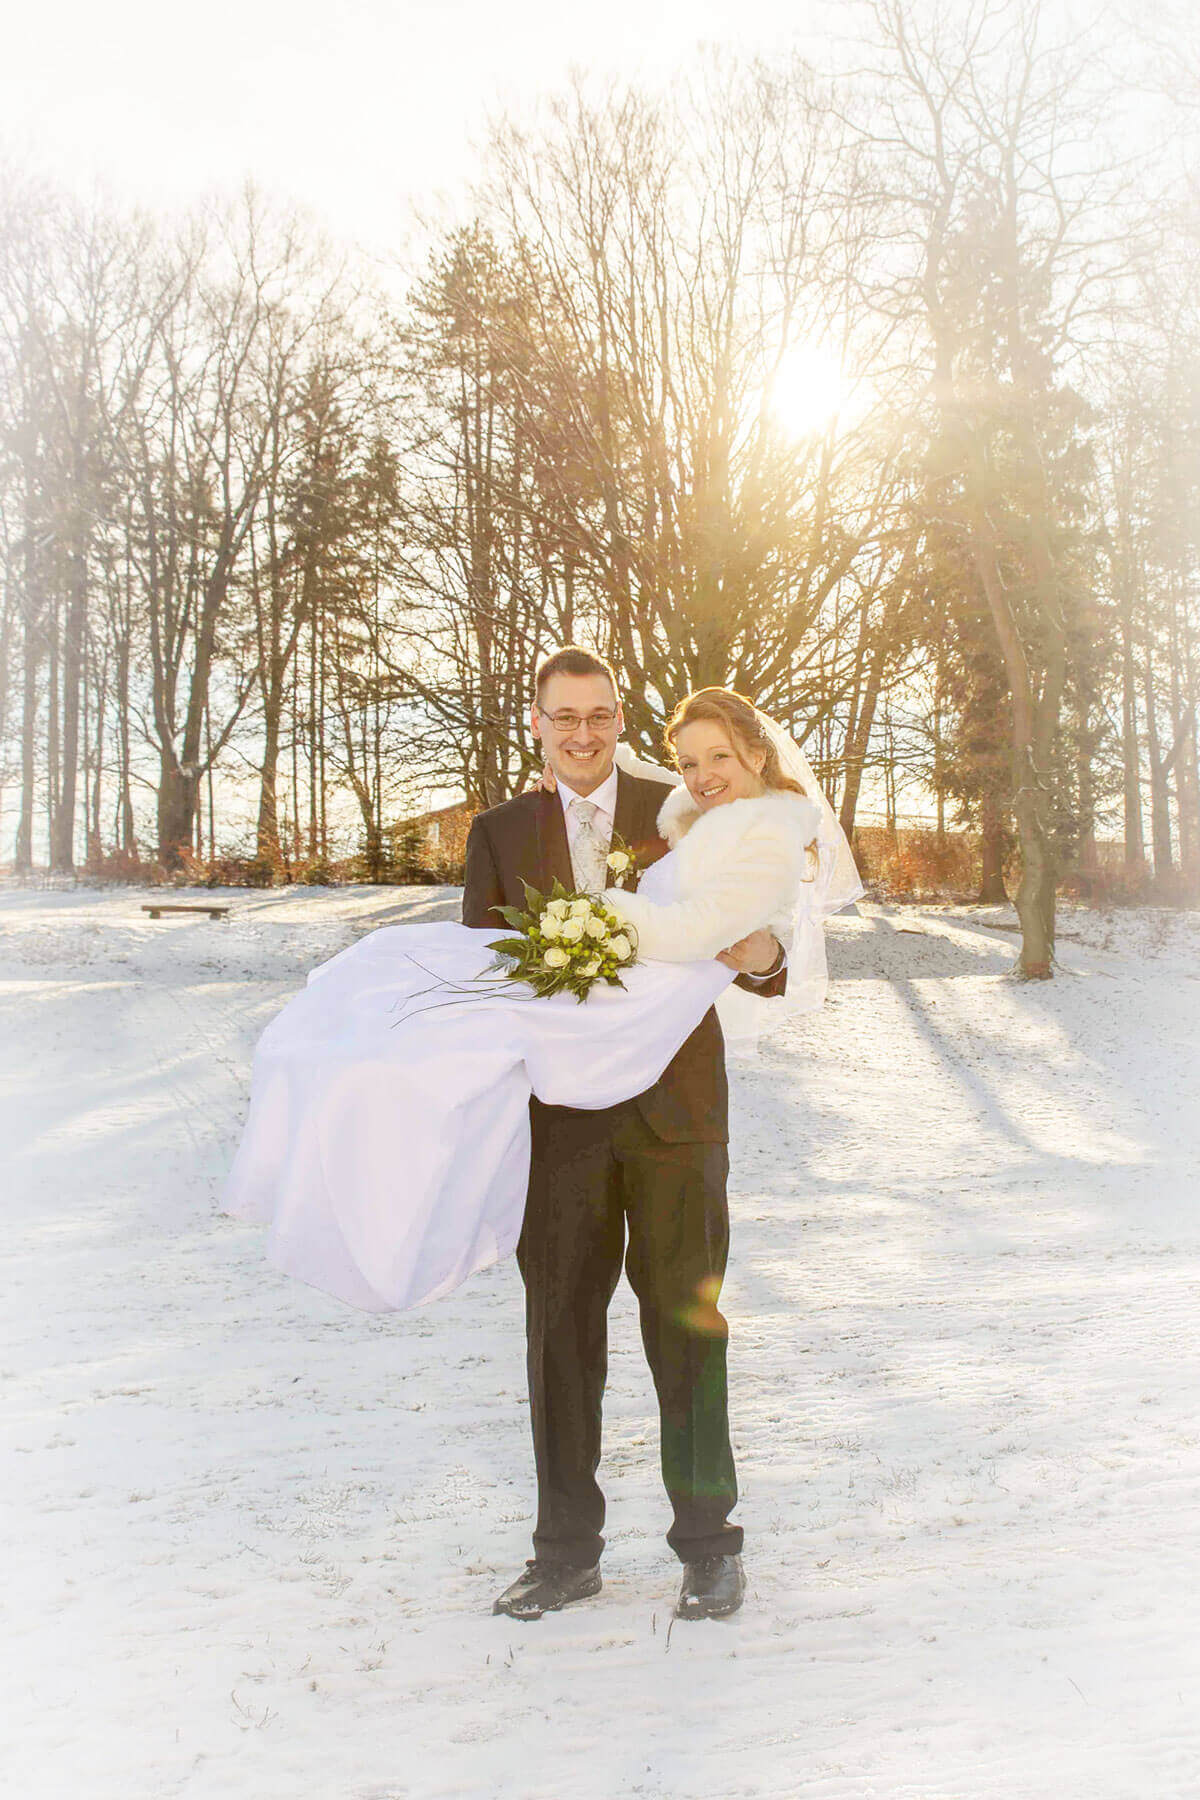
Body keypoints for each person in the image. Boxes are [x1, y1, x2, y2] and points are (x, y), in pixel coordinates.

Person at [224, 651, 860, 1624]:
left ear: (619, 720)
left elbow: (761, 942)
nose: (583, 733)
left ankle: (708, 1548)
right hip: (555, 1127)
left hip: (674, 1119)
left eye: (599, 715)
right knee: (558, 1332)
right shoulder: (499, 834)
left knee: (687, 1327)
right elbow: (482, 988)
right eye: (563, 717)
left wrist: (765, 956)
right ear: (537, 723)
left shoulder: (685, 802)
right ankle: (565, 1553)